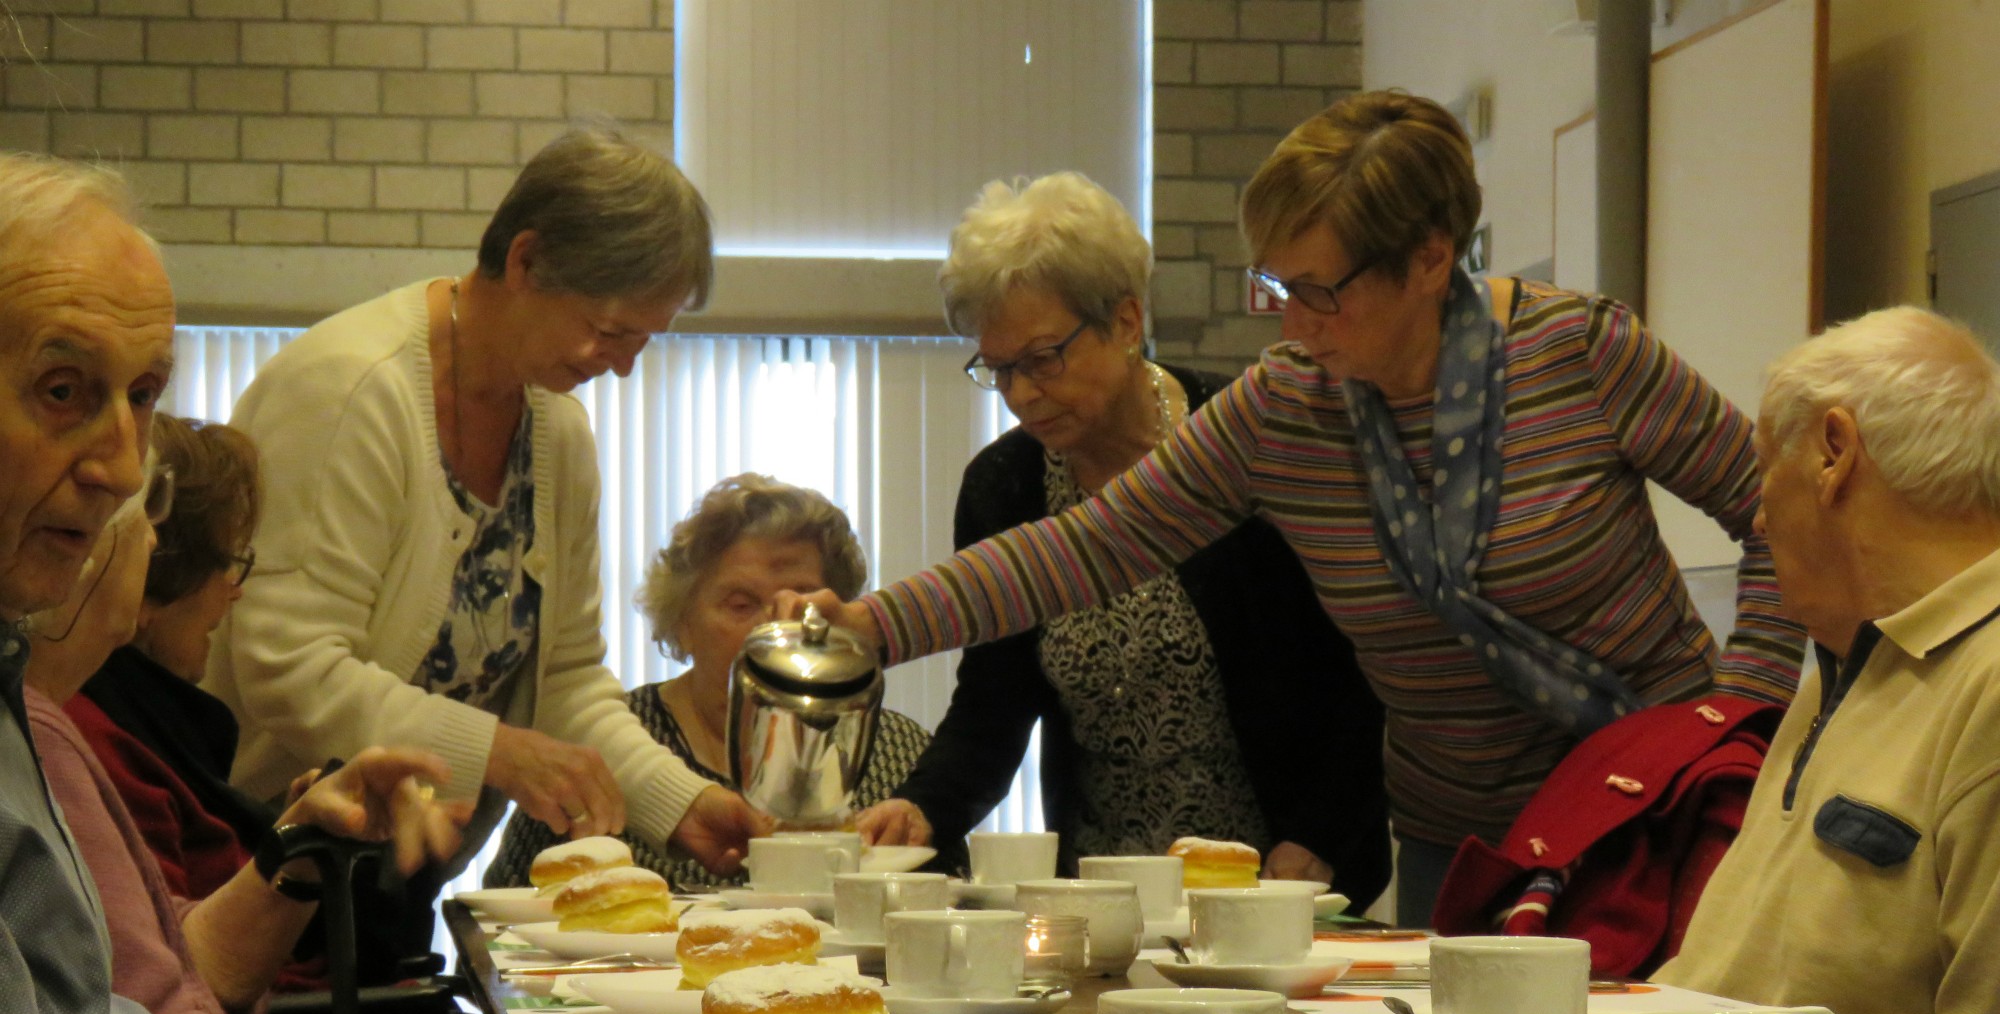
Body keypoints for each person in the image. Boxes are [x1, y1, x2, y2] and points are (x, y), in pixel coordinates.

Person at [784, 92, 1806, 924]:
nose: (1295, 320)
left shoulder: (1579, 355)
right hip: (1462, 834)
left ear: (1428, 257)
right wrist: (877, 624)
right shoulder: (1282, 409)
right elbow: (1090, 547)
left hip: (1649, 801)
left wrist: (1735, 716)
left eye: (1320, 290)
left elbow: (1777, 516)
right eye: (1275, 286)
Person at [0, 150, 506, 1014]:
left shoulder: (26, 719)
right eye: (63, 391)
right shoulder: (63, 726)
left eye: (143, 399)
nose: (120, 466)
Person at [205, 127, 768, 899]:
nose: (625, 365)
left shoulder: (558, 432)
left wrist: (681, 802)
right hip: (254, 859)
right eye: (609, 332)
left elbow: (565, 680)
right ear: (525, 260)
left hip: (398, 870)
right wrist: (500, 752)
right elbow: (289, 668)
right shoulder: (350, 389)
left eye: (645, 340)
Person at [855, 174, 1389, 897]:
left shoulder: (1245, 437)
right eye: (999, 368)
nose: (1020, 394)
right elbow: (994, 702)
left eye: (1043, 359)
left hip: (1277, 879)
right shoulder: (1006, 485)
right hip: (1103, 891)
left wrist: (1320, 835)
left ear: (1128, 322)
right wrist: (923, 809)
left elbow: (1357, 669)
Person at [1656, 308, 2000, 1014]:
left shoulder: (1988, 683)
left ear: (1832, 453)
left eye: (1764, 467)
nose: (1760, 512)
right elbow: (1727, 982)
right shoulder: (1849, 660)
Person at [486, 474, 941, 889]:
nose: (771, 630)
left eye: (804, 605)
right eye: (741, 605)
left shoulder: (899, 756)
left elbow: (951, 910)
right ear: (681, 621)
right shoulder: (602, 746)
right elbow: (508, 921)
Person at [75, 413, 274, 901]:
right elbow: (181, 969)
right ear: (152, 584)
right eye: (226, 563)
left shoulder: (145, 724)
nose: (234, 593)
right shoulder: (109, 748)